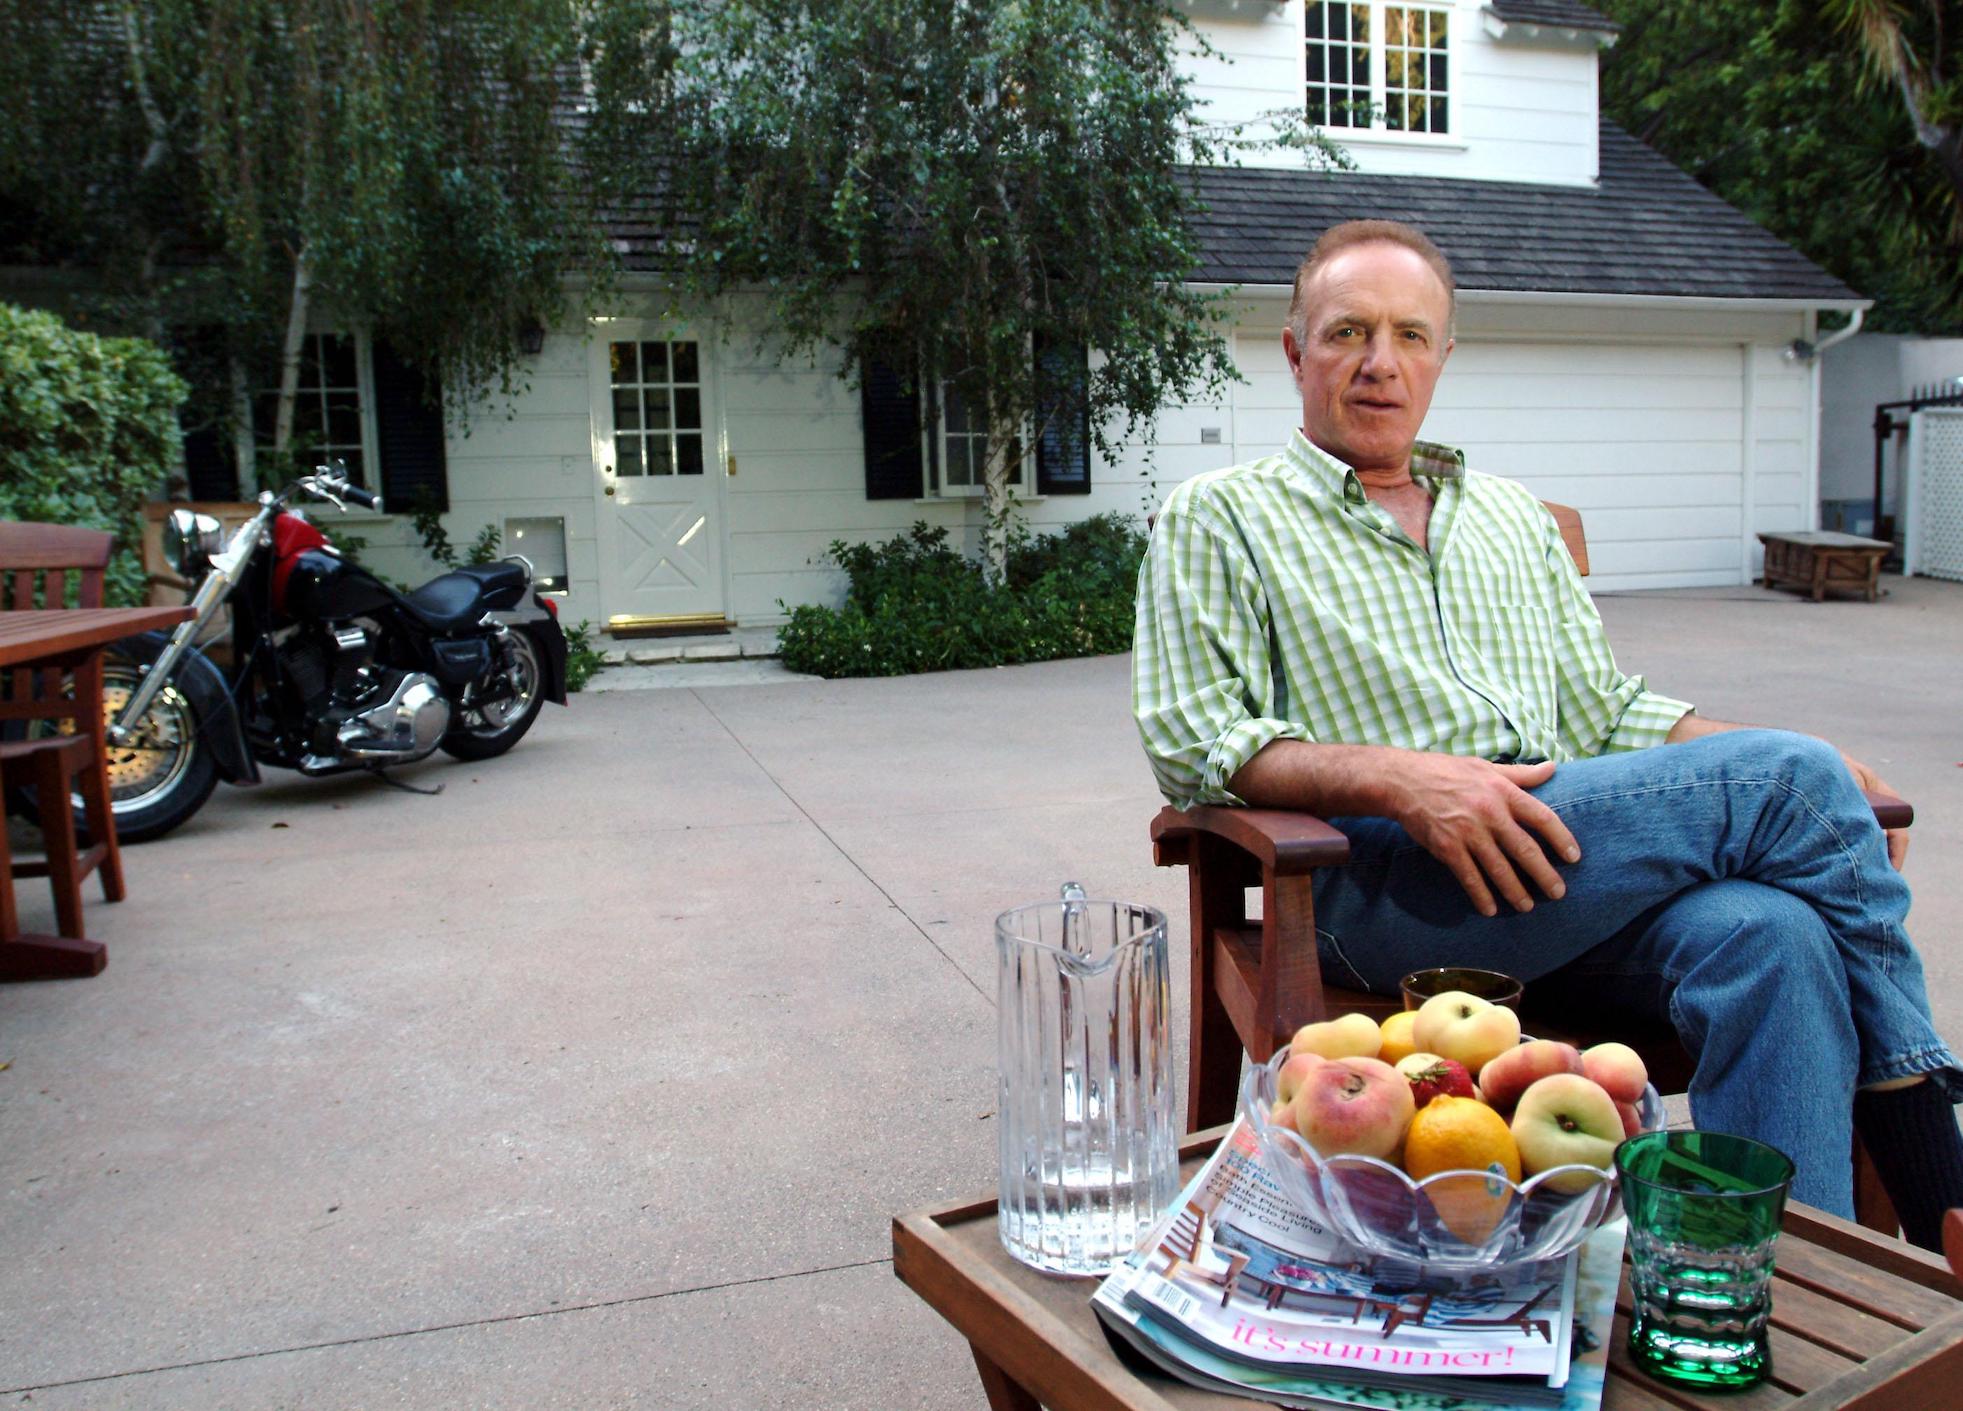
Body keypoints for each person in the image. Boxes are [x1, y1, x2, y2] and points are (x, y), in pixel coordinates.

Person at [1131, 218, 1963, 1246]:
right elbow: (1194, 738)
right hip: (1384, 887)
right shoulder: (1220, 516)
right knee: (1791, 785)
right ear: (1295, 351)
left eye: (1408, 334)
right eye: (1347, 333)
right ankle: (1931, 1168)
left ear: (1443, 355)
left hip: (1567, 875)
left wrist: (1764, 751)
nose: (1379, 362)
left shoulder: (1510, 518)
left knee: (1773, 934)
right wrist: (1405, 781)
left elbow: (1608, 712)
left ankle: (1772, 1300)